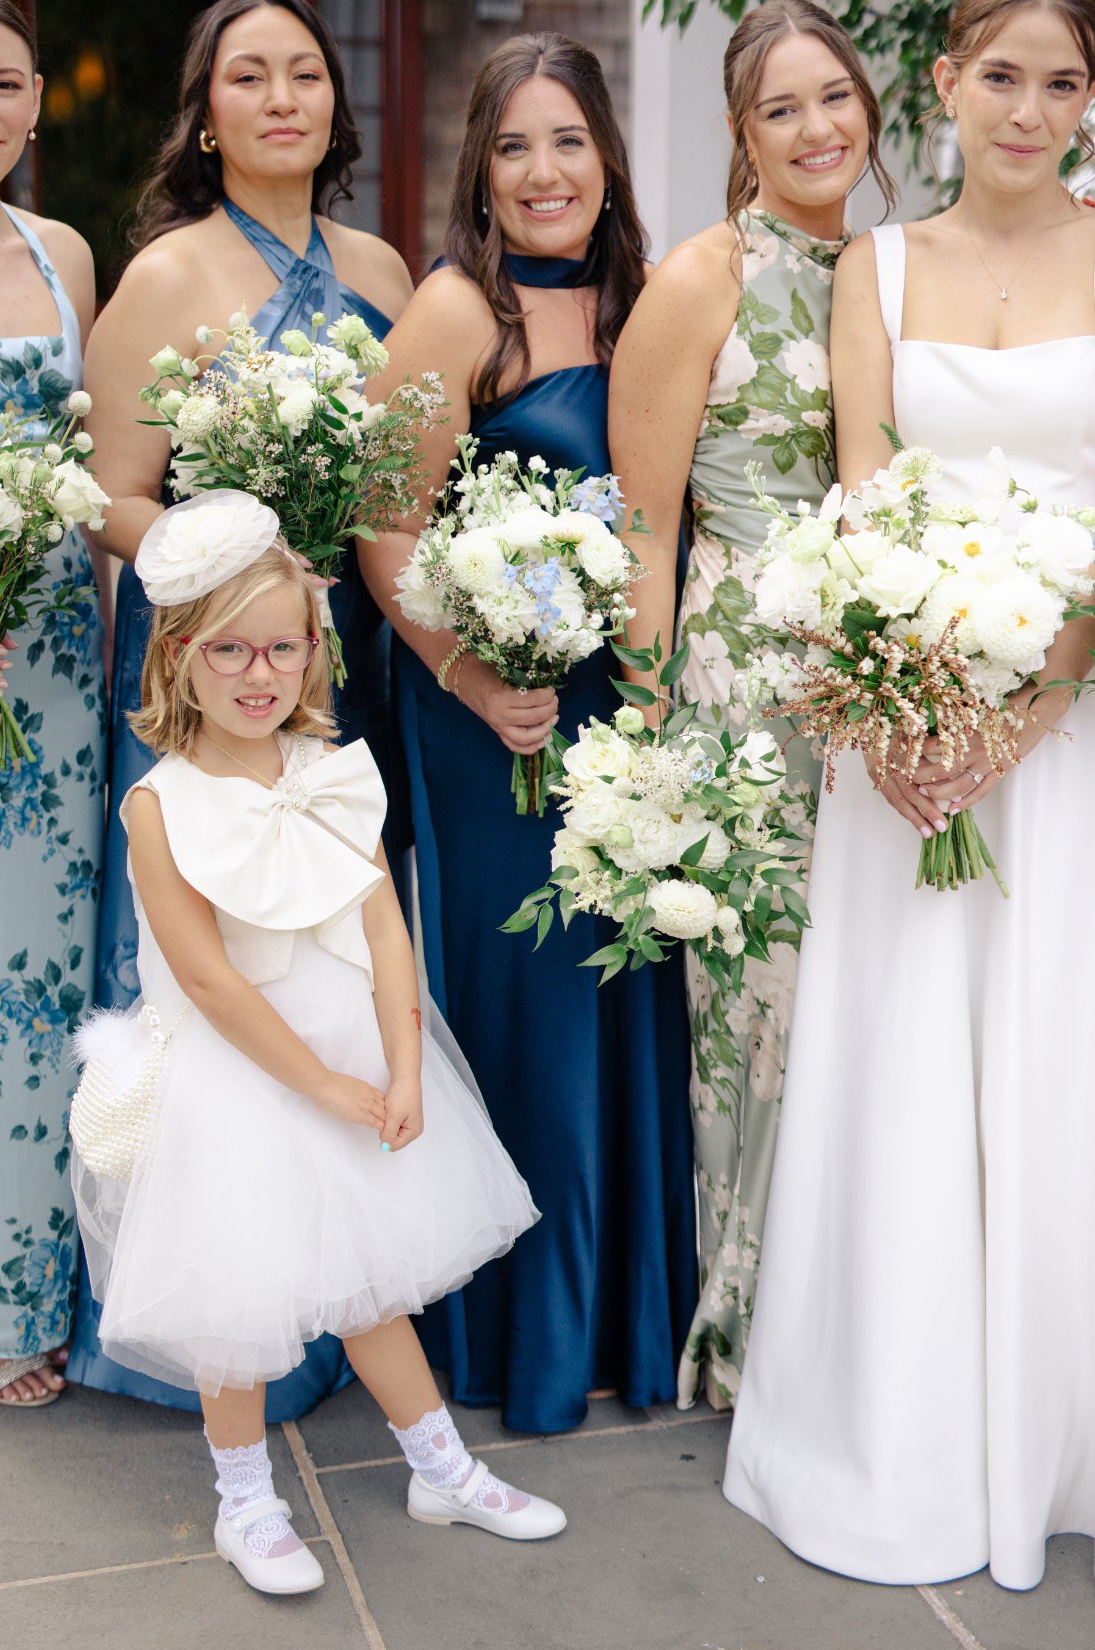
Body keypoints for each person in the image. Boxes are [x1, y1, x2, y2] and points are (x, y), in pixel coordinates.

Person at [724, 0, 1095, 1591]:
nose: (1028, 110)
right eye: (999, 76)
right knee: (911, 1064)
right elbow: (866, 494)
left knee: (1054, 1051)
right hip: (909, 728)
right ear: (942, 86)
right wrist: (906, 701)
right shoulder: (874, 270)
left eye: (1063, 82)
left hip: (1065, 727)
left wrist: (1028, 709)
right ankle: (903, 1432)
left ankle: (1057, 1434)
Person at [71, 490, 565, 1596]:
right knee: (233, 1316)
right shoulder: (162, 804)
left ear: (312, 650)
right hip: (243, 1080)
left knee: (368, 1286)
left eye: (283, 648)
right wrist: (323, 1085)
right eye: (231, 651)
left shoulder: (332, 767)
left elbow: (382, 920)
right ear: (181, 658)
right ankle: (243, 1501)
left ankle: (439, 1466)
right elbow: (204, 976)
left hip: (353, 1055)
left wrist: (398, 1066)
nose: (260, 674)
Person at [68, 0, 413, 1418]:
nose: (282, 97)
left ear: (337, 108)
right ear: (205, 114)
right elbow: (104, 491)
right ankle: (209, 1319)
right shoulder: (163, 275)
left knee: (326, 960)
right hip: (216, 672)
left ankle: (338, 1289)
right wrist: (240, 543)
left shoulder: (386, 267)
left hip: (341, 666)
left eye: (306, 74)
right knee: (214, 976)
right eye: (247, 77)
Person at [360, 33, 697, 1434]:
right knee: (530, 1006)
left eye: (568, 142)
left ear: (608, 157)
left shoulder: (645, 302)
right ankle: (519, 1338)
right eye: (514, 148)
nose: (545, 172)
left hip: (623, 698)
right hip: (488, 709)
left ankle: (628, 1319)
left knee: (631, 991)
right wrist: (463, 672)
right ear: (478, 177)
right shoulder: (453, 314)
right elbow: (382, 528)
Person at [609, 0, 894, 1411]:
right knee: (758, 1013)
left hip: (883, 681)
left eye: (833, 98)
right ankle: (745, 1328)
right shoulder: (702, 278)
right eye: (781, 109)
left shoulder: (896, 270)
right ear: (740, 133)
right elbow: (645, 526)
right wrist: (657, 737)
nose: (815, 129)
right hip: (739, 681)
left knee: (867, 1000)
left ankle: (860, 1316)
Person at [0, 0, 104, 1410]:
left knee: (33, 984)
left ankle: (21, 1290)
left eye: (6, 82)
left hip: (59, 662)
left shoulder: (64, 254)